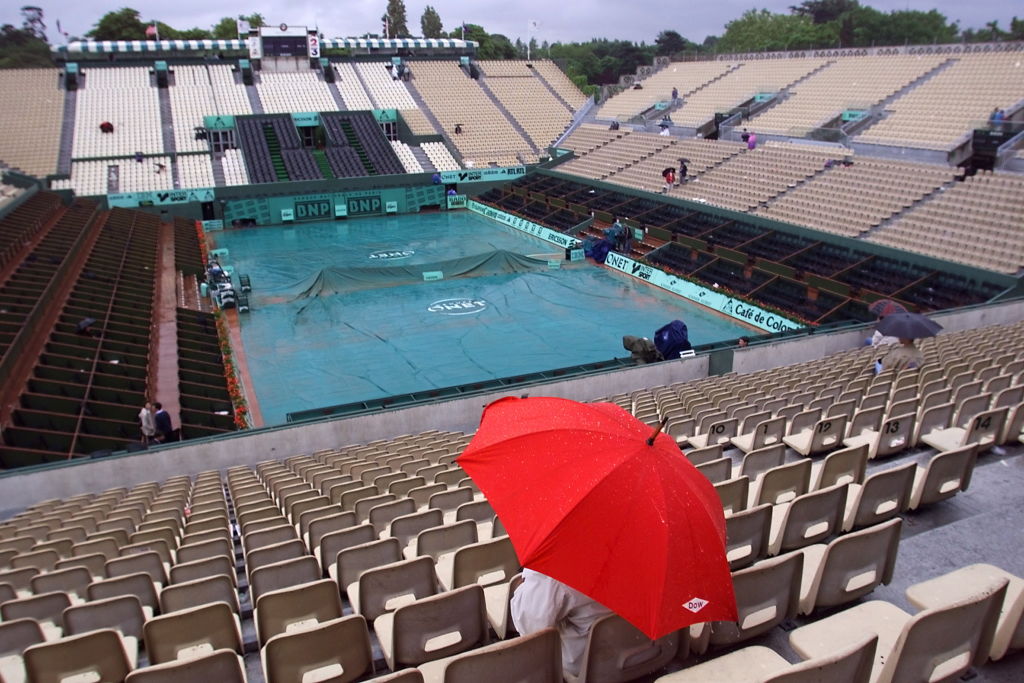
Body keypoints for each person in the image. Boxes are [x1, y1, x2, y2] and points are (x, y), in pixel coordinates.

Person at [511, 568, 613, 678]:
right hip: (629, 653)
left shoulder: (553, 571)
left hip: (584, 664)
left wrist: (521, 586)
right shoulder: (621, 556)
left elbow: (529, 626)